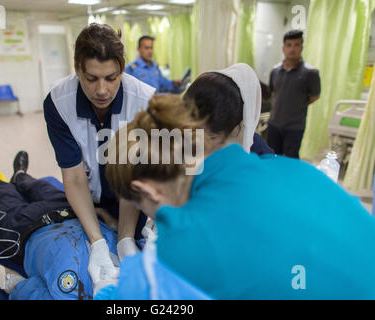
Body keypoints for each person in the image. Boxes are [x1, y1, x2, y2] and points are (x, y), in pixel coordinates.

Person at [100, 93, 375, 299]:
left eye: (141, 206)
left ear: (149, 191)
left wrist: (113, 290)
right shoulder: (294, 169)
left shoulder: (167, 261)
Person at [43, 23, 155, 288]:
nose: (102, 90)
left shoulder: (144, 101)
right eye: (91, 79)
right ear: (78, 69)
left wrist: (125, 238)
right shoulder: (59, 102)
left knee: (134, 249)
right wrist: (97, 242)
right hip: (85, 198)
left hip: (130, 200)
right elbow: (73, 177)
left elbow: (133, 175)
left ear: (123, 70)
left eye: (112, 78)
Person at [0, 151, 124, 299]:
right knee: (39, 186)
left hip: (25, 231)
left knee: (3, 196)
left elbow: (17, 286)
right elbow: (128, 239)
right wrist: (108, 219)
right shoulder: (139, 273)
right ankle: (20, 175)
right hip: (72, 212)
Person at [183, 63, 274, 155]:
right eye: (193, 130)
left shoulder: (259, 153)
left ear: (235, 126)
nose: (200, 142)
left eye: (211, 137)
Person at [267, 29, 321, 158]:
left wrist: (298, 103)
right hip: (274, 123)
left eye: (296, 45)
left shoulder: (310, 72)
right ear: (283, 48)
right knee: (271, 158)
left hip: (294, 126)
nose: (292, 49)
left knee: (290, 161)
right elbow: (273, 92)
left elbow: (315, 96)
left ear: (302, 47)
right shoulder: (275, 71)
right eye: (289, 45)